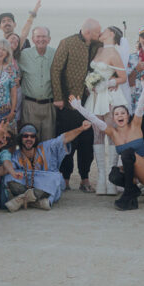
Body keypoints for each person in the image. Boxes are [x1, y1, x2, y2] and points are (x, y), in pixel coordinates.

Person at [68, 73, 144, 211]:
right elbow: (95, 120)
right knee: (114, 175)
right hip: (132, 175)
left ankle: (127, 195)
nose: (120, 115)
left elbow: (140, 107)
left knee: (127, 153)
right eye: (116, 114)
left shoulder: (135, 125)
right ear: (114, 118)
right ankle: (132, 193)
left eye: (123, 113)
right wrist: (79, 107)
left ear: (128, 116)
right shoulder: (113, 132)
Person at [50, 19, 102, 190]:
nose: (99, 35)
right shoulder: (67, 43)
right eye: (97, 32)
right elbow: (56, 69)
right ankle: (65, 177)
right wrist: (58, 97)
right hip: (68, 102)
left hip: (88, 103)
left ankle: (85, 178)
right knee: (67, 141)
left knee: (87, 142)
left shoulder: (97, 44)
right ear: (88, 32)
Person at [2, 121, 94, 211]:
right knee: (8, 177)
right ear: (21, 138)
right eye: (25, 136)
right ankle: (36, 202)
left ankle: (23, 199)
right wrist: (12, 173)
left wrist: (81, 128)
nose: (29, 139)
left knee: (55, 178)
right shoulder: (16, 155)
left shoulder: (47, 147)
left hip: (45, 183)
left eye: (32, 136)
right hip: (26, 183)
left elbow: (64, 138)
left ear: (36, 138)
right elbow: (7, 166)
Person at [83, 25, 127, 195]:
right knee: (97, 134)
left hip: (108, 97)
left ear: (111, 34)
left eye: (105, 30)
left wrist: (106, 84)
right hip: (94, 98)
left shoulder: (114, 53)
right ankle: (101, 177)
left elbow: (122, 77)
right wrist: (91, 83)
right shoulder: (99, 49)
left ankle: (111, 177)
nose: (100, 32)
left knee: (111, 134)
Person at [18, 25, 56, 142]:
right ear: (33, 39)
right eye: (38, 36)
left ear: (49, 39)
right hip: (30, 105)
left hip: (49, 106)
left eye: (44, 36)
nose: (41, 39)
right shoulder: (24, 55)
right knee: (29, 141)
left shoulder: (55, 54)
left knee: (48, 141)